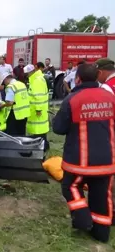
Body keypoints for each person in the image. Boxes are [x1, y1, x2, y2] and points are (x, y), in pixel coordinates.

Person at [52, 63, 115, 243]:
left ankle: (82, 219)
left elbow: (58, 129)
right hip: (106, 160)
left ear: (77, 78)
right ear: (97, 77)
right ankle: (101, 233)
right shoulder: (110, 97)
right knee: (102, 195)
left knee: (70, 187)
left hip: (79, 161)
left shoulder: (72, 99)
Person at [24, 63, 50, 151]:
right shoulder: (35, 79)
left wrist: (38, 109)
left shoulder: (37, 81)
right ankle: (42, 145)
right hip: (36, 110)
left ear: (31, 72)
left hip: (38, 110)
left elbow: (39, 96)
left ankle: (43, 146)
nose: (26, 76)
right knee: (38, 130)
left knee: (39, 130)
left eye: (27, 74)